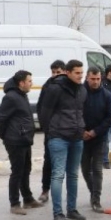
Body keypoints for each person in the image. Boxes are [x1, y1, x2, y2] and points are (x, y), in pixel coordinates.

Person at [39, 59, 88, 220]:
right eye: (77, 73)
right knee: (58, 175)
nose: (80, 76)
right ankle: (58, 213)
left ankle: (72, 210)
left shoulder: (82, 89)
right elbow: (44, 113)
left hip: (76, 138)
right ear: (67, 72)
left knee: (73, 175)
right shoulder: (55, 89)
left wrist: (82, 129)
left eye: (82, 73)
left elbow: (82, 112)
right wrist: (51, 133)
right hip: (58, 138)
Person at [0, 70, 42, 215]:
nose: (32, 83)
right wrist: (5, 137)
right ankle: (14, 203)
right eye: (29, 81)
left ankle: (28, 199)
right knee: (17, 172)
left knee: (26, 170)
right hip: (15, 140)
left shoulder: (22, 95)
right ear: (21, 83)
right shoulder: (11, 97)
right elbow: (2, 119)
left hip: (24, 139)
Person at [80, 67, 111, 213]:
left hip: (99, 138)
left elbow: (110, 117)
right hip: (81, 138)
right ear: (87, 78)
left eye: (98, 79)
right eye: (92, 79)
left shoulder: (107, 95)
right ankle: (93, 190)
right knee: (85, 169)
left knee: (97, 169)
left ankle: (96, 199)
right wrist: (81, 131)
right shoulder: (79, 93)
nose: (95, 82)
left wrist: (94, 132)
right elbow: (74, 113)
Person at [37, 59, 65, 203]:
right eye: (53, 72)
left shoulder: (69, 87)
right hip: (51, 132)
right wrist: (46, 127)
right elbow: (40, 108)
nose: (55, 75)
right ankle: (45, 190)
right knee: (48, 161)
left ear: (65, 72)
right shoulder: (47, 86)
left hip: (67, 131)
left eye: (58, 72)